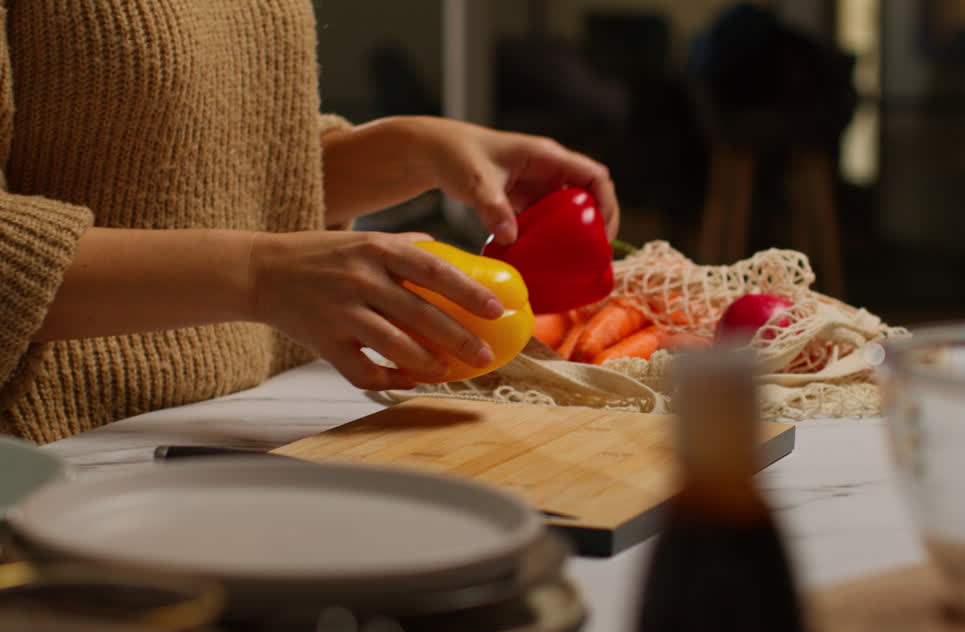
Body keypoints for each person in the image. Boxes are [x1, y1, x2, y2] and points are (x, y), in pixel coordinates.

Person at [0, 1, 619, 444]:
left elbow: (200, 167)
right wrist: (258, 276)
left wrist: (416, 150)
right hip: (52, 453)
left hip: (241, 423)